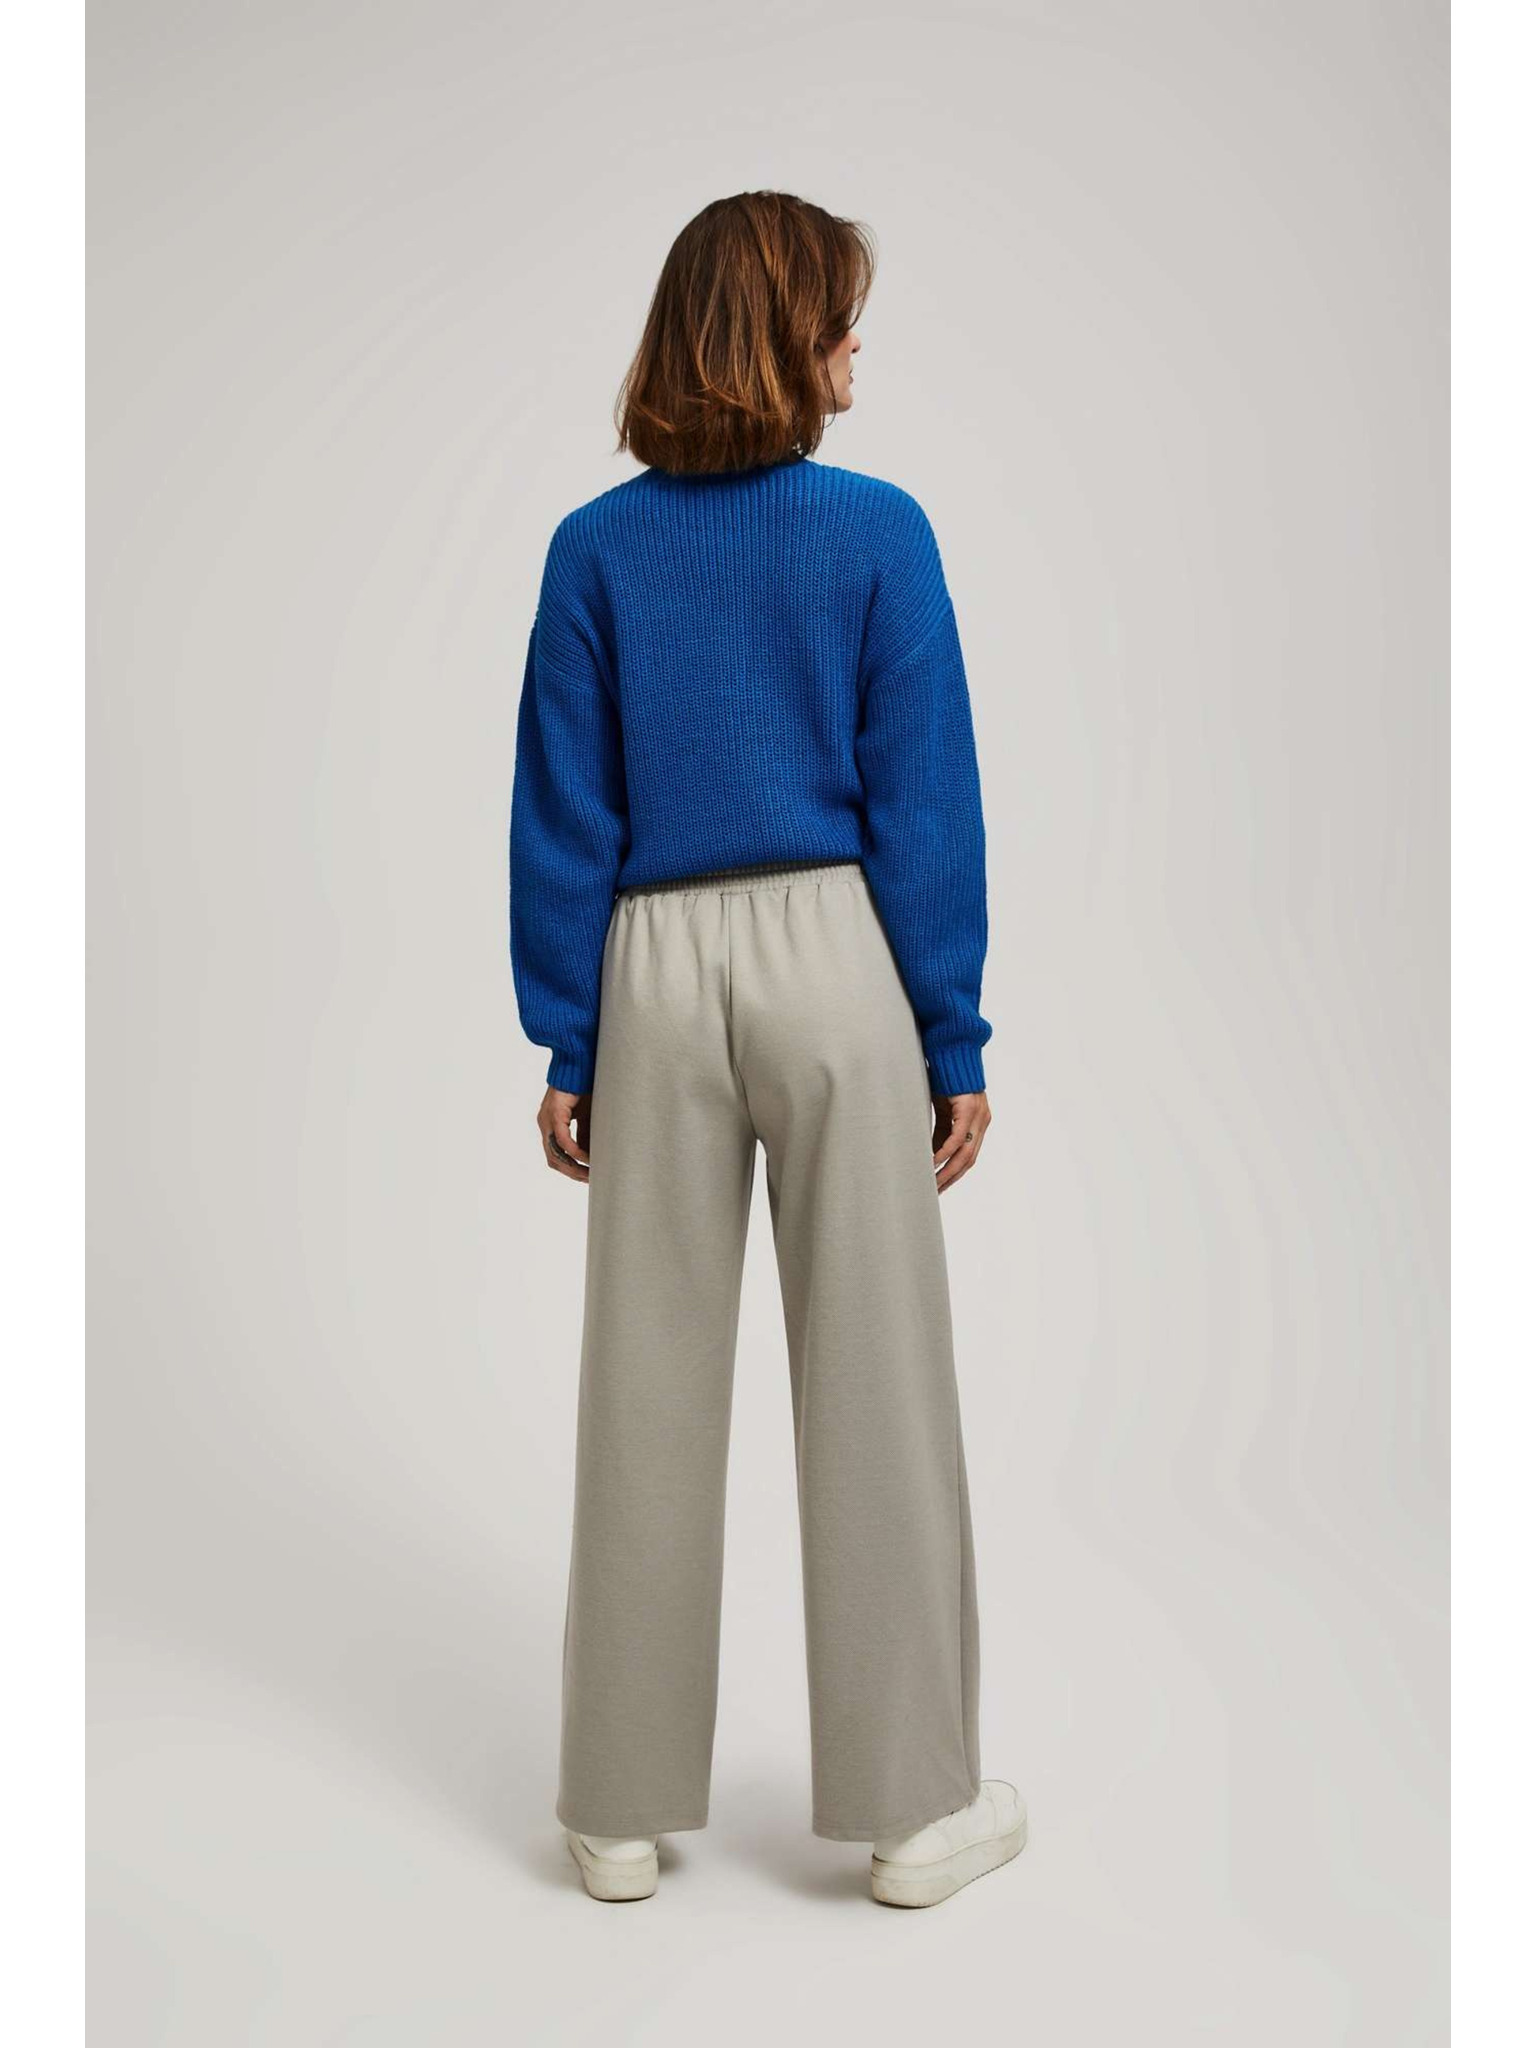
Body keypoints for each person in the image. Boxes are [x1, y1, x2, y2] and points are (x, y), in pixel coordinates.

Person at [507, 190, 1025, 1909]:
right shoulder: (879, 535)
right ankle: (915, 1812)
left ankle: (614, 1806)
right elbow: (924, 808)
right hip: (834, 960)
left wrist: (569, 1035)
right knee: (879, 1380)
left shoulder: (594, 550)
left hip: (650, 969)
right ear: (785, 341)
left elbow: (567, 812)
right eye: (840, 318)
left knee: (642, 1386)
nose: (859, 347)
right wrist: (949, 1028)